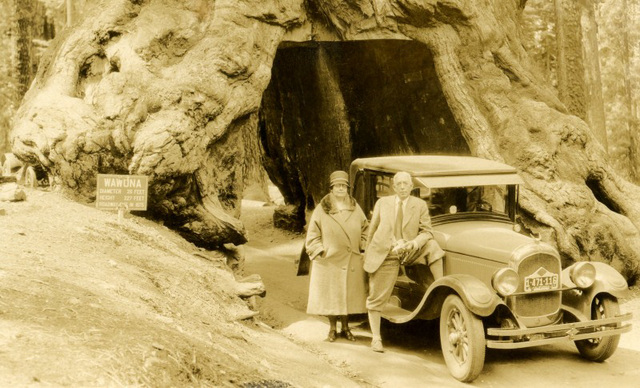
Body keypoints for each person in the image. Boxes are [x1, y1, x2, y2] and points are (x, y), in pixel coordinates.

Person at [363, 171, 438, 352]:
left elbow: (427, 231)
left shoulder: (419, 205)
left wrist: (413, 243)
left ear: (411, 187)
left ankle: (440, 287)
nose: (403, 187)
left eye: (406, 184)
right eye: (399, 184)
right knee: (377, 296)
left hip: (409, 251)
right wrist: (369, 253)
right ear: (394, 187)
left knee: (434, 247)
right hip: (386, 252)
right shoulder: (383, 203)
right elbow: (371, 231)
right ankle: (376, 338)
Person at [305, 170, 369, 342]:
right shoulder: (322, 208)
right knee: (331, 296)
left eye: (344, 186)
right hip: (330, 260)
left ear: (347, 188)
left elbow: (366, 229)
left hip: (351, 259)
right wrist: (320, 251)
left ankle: (346, 328)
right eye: (337, 186)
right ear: (331, 188)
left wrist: (362, 245)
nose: (341, 189)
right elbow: (312, 234)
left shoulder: (354, 207)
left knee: (347, 295)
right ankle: (332, 329)